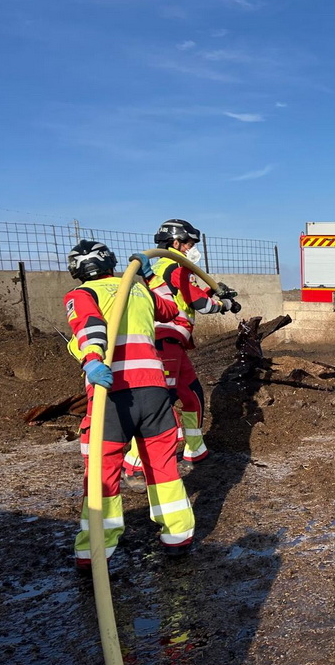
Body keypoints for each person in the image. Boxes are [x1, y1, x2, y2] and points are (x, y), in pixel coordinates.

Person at [64, 240, 195, 568]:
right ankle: (177, 537)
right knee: (163, 467)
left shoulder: (82, 295)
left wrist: (92, 361)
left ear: (76, 271)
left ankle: (93, 551)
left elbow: (90, 327)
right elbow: (171, 310)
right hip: (154, 392)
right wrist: (151, 277)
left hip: (113, 396)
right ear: (110, 263)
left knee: (103, 472)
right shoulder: (138, 290)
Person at [122, 219, 241, 486]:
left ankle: (195, 450)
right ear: (175, 243)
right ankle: (134, 466)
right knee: (160, 401)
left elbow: (186, 292)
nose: (191, 249)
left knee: (192, 393)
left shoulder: (164, 266)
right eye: (189, 243)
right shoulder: (174, 265)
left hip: (174, 341)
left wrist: (213, 290)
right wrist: (223, 304)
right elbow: (197, 301)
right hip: (164, 339)